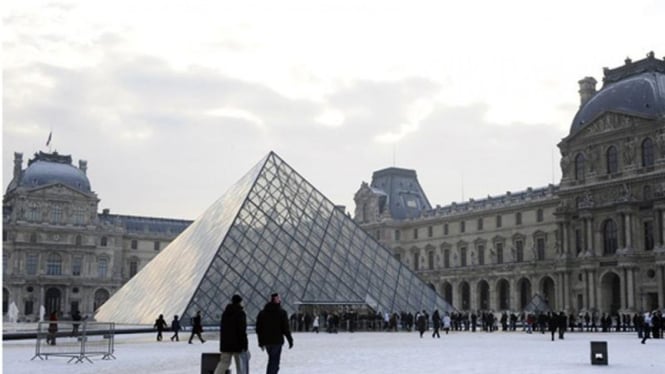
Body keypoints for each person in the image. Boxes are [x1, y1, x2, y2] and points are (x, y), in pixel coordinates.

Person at [256, 293, 294, 374]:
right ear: (275, 299)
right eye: (278, 298)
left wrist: (260, 342)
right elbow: (285, 329)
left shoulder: (262, 313)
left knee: (272, 359)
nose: (280, 299)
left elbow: (258, 329)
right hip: (277, 341)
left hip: (266, 341)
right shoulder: (282, 312)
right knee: (274, 361)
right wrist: (290, 340)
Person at [214, 294, 249, 374]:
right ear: (240, 302)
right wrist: (245, 345)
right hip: (237, 344)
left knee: (224, 363)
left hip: (226, 343)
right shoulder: (241, 313)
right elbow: (242, 330)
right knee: (240, 365)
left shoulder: (225, 314)